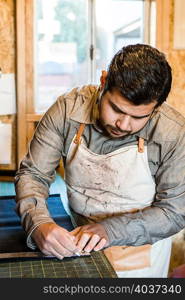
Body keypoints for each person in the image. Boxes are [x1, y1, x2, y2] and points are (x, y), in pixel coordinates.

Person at [15, 44, 185, 278]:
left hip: (141, 255)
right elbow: (33, 174)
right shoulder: (67, 110)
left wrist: (108, 230)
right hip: (77, 242)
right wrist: (38, 223)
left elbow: (174, 212)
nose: (123, 125)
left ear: (156, 108)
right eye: (116, 109)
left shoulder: (173, 133)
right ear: (104, 81)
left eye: (139, 117)